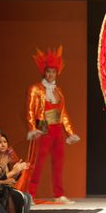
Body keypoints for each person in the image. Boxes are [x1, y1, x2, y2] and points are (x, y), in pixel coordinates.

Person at [25, 46, 80, 203]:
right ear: (44, 72)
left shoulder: (59, 91)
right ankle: (30, 194)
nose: (51, 74)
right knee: (38, 163)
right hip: (43, 128)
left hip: (57, 129)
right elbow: (29, 110)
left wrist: (70, 133)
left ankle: (58, 194)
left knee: (58, 163)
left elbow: (63, 114)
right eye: (48, 71)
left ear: (57, 73)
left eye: (53, 72)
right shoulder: (35, 89)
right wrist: (32, 129)